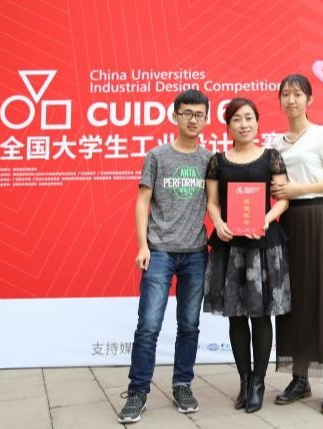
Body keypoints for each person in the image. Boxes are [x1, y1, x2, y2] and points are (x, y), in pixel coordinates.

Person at [118, 89, 212, 424]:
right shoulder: (157, 156)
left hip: (196, 253)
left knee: (189, 325)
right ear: (175, 116)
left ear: (206, 119)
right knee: (149, 325)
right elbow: (142, 201)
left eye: (199, 114)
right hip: (159, 251)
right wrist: (142, 245)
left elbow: (216, 204)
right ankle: (137, 391)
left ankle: (182, 384)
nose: (192, 120)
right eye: (186, 113)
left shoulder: (210, 160)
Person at [203, 97, 291, 413]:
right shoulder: (218, 161)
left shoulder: (271, 157)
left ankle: (258, 383)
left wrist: (265, 219)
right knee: (236, 316)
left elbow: (282, 199)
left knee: (260, 315)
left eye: (249, 118)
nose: (244, 124)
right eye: (237, 119)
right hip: (230, 247)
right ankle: (244, 380)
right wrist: (218, 222)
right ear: (228, 125)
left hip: (262, 246)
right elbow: (212, 202)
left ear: (257, 122)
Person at [271, 74, 323, 414]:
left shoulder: (322, 135)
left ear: (309, 99)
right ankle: (299, 378)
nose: (291, 100)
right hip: (287, 222)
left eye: (297, 94)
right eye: (286, 94)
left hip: (317, 218)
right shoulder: (275, 144)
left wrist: (299, 189)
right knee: (291, 300)